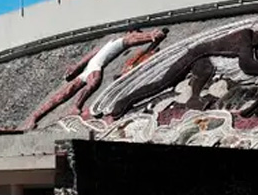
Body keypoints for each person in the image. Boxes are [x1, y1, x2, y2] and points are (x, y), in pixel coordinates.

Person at [22, 28, 167, 130]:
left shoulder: (118, 41)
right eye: (136, 32)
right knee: (63, 94)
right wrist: (77, 66)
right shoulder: (117, 40)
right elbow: (131, 39)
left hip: (94, 68)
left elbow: (134, 39)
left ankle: (75, 106)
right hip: (89, 69)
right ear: (130, 31)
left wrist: (150, 36)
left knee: (89, 85)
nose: (136, 34)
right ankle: (36, 116)